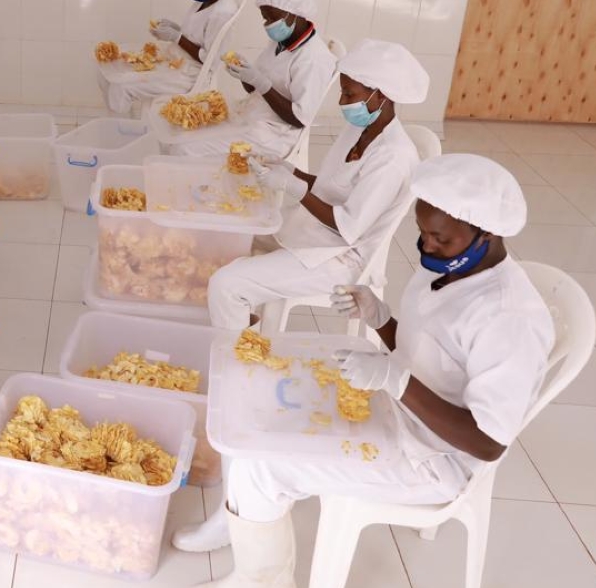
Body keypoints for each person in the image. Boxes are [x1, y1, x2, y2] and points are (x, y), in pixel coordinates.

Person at [179, 153, 554, 588]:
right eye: (423, 233)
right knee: (265, 401)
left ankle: (260, 578)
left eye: (440, 239)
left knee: (259, 464)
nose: (427, 246)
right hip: (398, 409)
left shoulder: (508, 319)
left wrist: (394, 379)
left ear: (486, 234)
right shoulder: (453, 268)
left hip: (431, 458)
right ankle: (241, 519)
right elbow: (429, 351)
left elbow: (488, 442)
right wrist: (380, 319)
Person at [204, 40, 426, 334]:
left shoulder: (393, 158)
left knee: (227, 284)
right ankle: (245, 327)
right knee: (226, 238)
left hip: (340, 257)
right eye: (342, 91)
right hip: (312, 231)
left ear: (380, 96)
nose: (342, 102)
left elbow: (348, 226)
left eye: (350, 94)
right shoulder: (360, 129)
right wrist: (289, 169)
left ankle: (236, 362)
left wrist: (292, 187)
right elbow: (328, 186)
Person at [182, 0, 336, 159]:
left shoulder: (314, 59)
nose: (268, 24)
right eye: (265, 18)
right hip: (252, 117)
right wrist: (244, 74)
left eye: (273, 17)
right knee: (186, 129)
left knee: (186, 148)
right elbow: (253, 88)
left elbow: (299, 119)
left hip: (274, 136)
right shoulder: (281, 40)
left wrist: (261, 83)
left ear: (294, 13)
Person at [98, 0, 241, 115]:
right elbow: (197, 35)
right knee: (107, 69)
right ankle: (124, 127)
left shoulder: (222, 13)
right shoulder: (208, 1)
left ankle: (119, 133)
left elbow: (211, 61)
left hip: (190, 76)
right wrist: (175, 30)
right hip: (177, 61)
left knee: (120, 88)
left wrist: (177, 37)